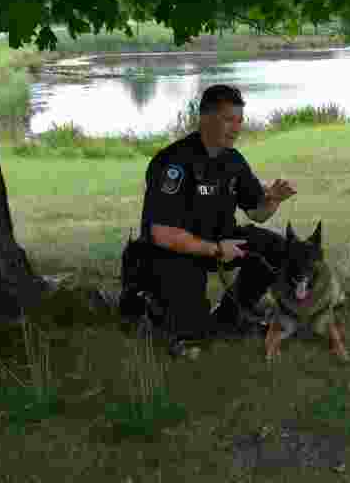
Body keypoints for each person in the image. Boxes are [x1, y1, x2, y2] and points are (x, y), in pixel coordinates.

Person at [122, 84, 296, 358]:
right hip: (173, 254)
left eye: (240, 120)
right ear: (204, 118)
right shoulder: (174, 163)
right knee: (194, 335)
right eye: (228, 119)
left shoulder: (233, 160)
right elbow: (162, 234)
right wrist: (216, 250)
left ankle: (232, 311)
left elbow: (256, 213)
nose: (236, 128)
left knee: (280, 250)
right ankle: (146, 302)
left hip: (221, 240)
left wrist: (273, 199)